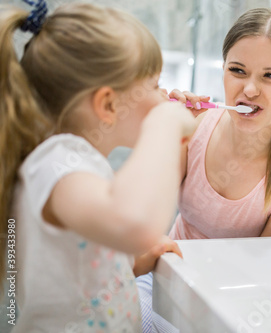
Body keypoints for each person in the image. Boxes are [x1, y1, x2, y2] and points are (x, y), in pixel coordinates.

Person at [0, 1, 199, 331]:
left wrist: (129, 264)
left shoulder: (77, 163)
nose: (164, 94)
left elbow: (78, 259)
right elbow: (133, 222)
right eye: (154, 85)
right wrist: (163, 125)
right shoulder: (56, 163)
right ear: (107, 104)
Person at [137, 7, 271, 331]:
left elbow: (261, 277)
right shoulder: (192, 129)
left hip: (233, 301)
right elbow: (140, 227)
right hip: (163, 280)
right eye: (238, 70)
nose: (250, 89)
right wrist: (166, 129)